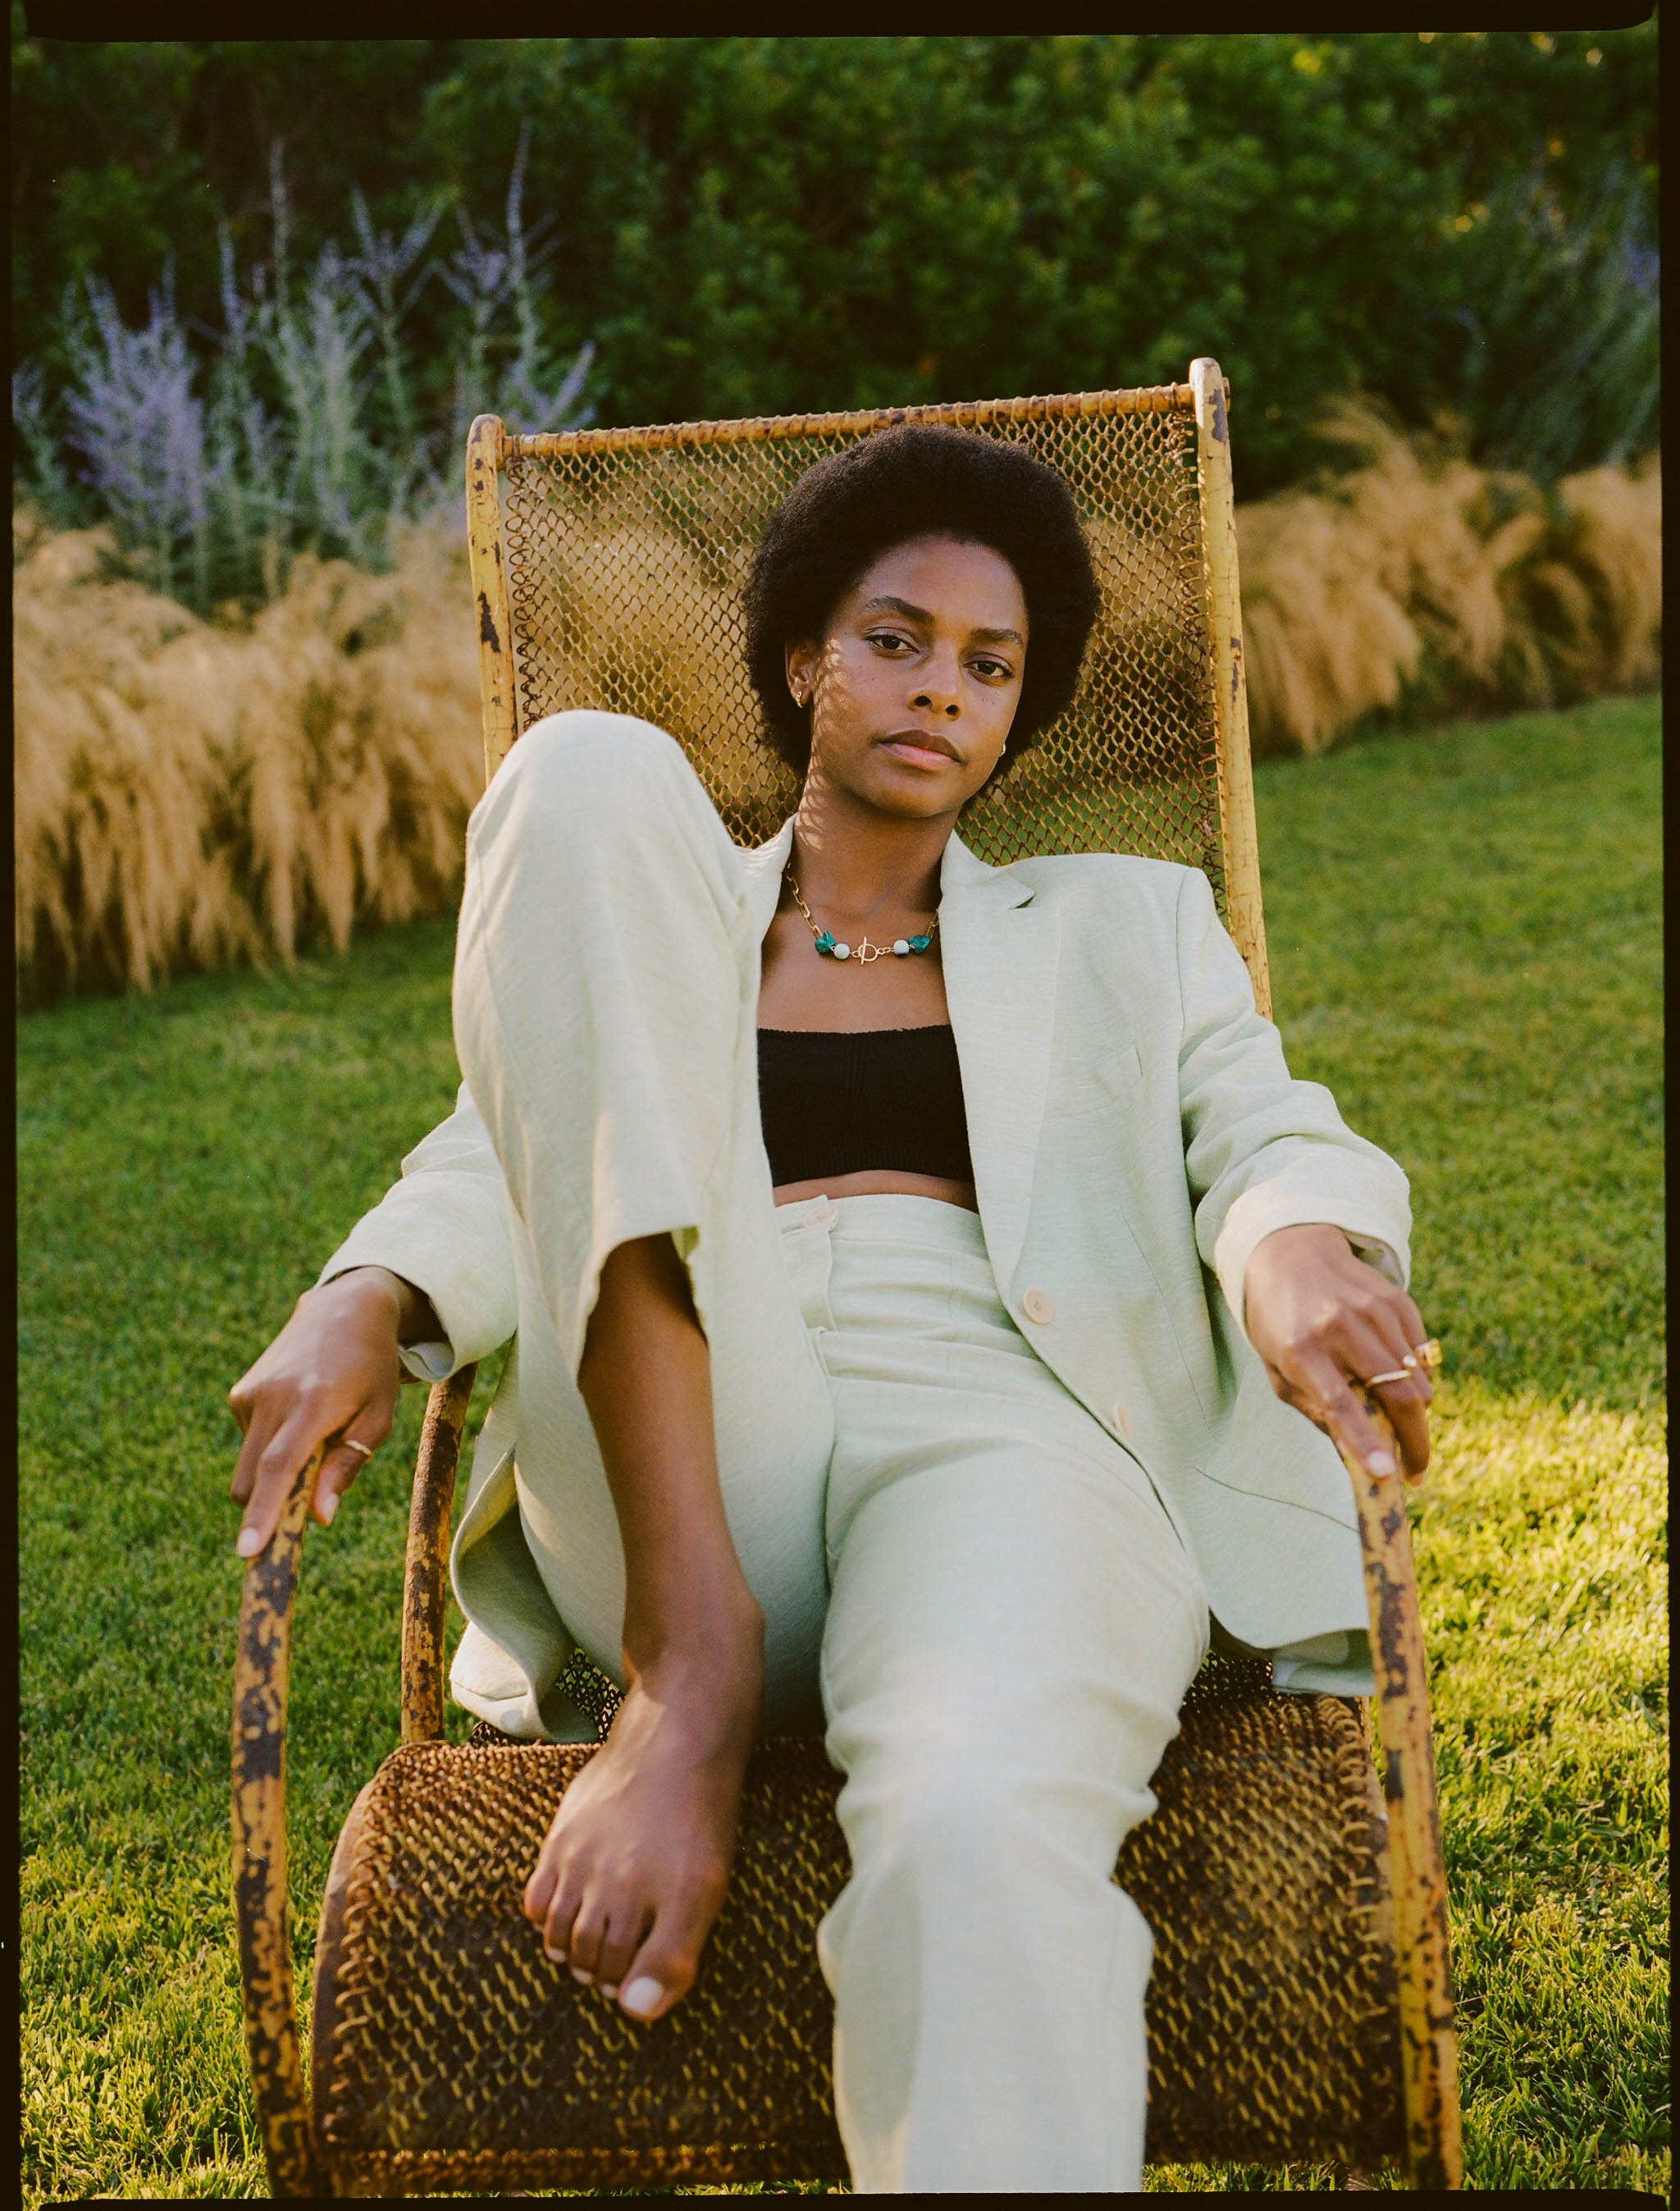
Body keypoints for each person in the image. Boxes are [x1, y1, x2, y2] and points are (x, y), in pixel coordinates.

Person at [227, 424, 1432, 2194]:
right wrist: (365, 1290)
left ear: (1019, 713)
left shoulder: (1128, 922)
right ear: (802, 659)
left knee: (974, 1817)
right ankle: (688, 1666)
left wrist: (1294, 1244)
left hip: (1014, 1429)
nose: (941, 687)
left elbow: (1259, 1126)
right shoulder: (661, 907)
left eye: (991, 664)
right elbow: (507, 1149)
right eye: (893, 638)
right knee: (578, 767)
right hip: (685, 1424)